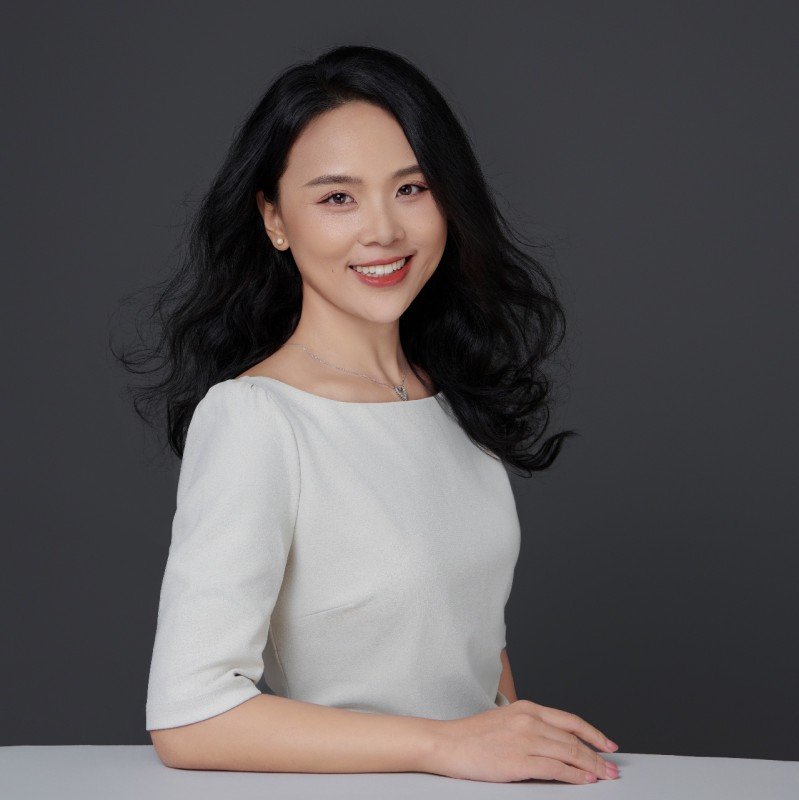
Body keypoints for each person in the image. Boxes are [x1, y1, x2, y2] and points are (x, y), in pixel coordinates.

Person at [118, 44, 619, 785]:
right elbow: (190, 716)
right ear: (274, 218)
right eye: (337, 198)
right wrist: (442, 746)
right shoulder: (255, 418)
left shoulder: (452, 399)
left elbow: (470, 647)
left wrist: (513, 742)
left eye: (411, 188)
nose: (383, 231)